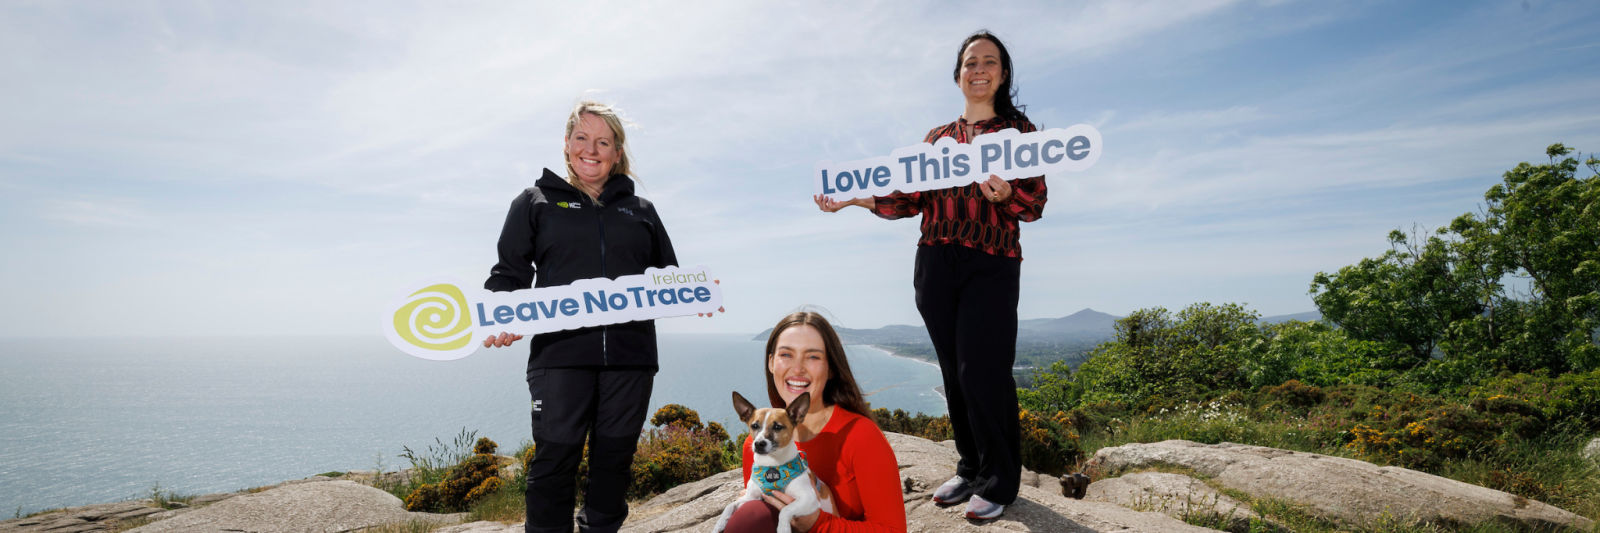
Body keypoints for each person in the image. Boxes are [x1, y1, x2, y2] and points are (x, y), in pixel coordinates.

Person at [812, 31, 1045, 520]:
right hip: (935, 263)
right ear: (958, 74)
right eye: (970, 63)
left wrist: (1006, 197)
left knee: (983, 371)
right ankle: (971, 466)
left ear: (1002, 74)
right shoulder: (937, 140)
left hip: (992, 261)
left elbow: (1035, 203)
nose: (978, 70)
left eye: (989, 62)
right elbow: (909, 201)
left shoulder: (1021, 133)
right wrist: (859, 199)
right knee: (953, 370)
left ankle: (1000, 481)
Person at [481, 99, 717, 533]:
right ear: (568, 144)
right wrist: (498, 315)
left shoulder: (641, 210)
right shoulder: (535, 201)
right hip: (560, 357)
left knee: (613, 465)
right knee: (555, 462)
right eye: (582, 138)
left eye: (603, 141)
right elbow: (508, 274)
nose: (591, 149)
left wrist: (695, 294)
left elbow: (667, 278)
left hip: (631, 357)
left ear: (617, 152)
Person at [722, 311, 907, 533]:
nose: (798, 368)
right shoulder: (755, 447)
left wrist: (818, 524)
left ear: (831, 368)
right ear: (771, 362)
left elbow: (893, 530)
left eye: (813, 357)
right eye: (786, 355)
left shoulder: (860, 435)